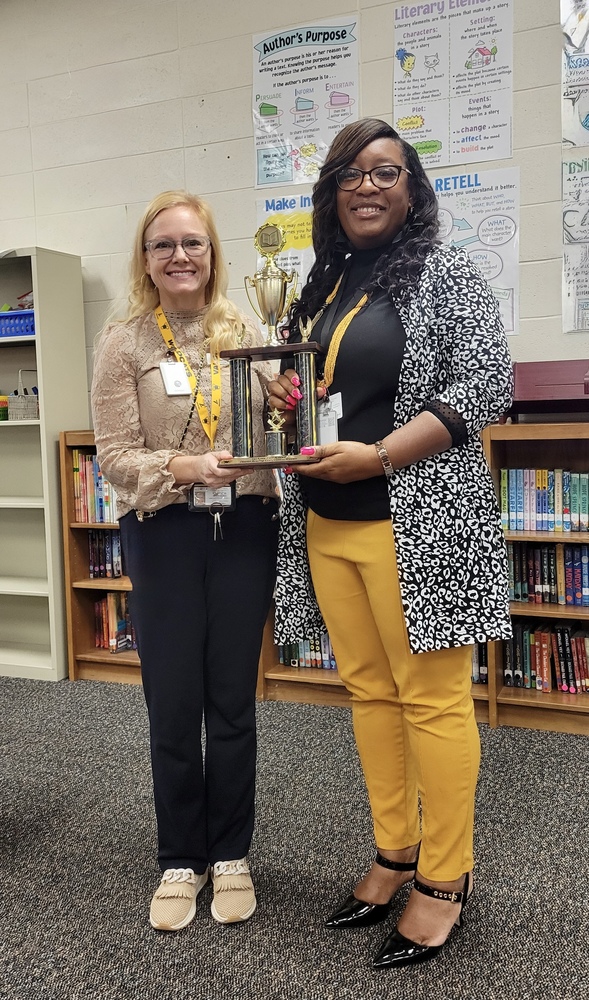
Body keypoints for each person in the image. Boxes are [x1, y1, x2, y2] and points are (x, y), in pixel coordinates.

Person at [268, 118, 513, 968]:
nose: (366, 187)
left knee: (432, 701)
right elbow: (314, 392)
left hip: (415, 522)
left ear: (412, 189)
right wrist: (286, 401)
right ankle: (394, 850)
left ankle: (445, 876)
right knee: (370, 694)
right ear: (330, 192)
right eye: (350, 174)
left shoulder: (445, 272)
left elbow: (485, 383)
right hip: (327, 523)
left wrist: (377, 456)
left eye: (385, 172)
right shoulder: (321, 284)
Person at [91, 190, 279, 931]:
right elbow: (114, 455)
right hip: (163, 530)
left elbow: (278, 427)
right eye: (163, 244)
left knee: (231, 701)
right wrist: (183, 468)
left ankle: (229, 853)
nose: (179, 256)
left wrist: (291, 401)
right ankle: (180, 858)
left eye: (192, 243)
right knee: (172, 702)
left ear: (212, 252)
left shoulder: (246, 327)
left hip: (245, 529)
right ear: (145, 259)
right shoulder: (125, 342)